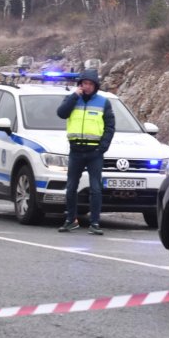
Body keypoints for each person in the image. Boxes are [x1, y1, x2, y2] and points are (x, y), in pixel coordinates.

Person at [56, 68, 115, 234]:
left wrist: (102, 148)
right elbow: (61, 113)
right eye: (84, 83)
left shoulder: (103, 102)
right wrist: (75, 96)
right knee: (71, 187)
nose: (87, 86)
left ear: (95, 86)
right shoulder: (72, 99)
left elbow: (110, 127)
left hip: (94, 152)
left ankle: (95, 222)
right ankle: (70, 220)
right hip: (76, 150)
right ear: (79, 85)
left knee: (95, 188)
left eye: (90, 84)